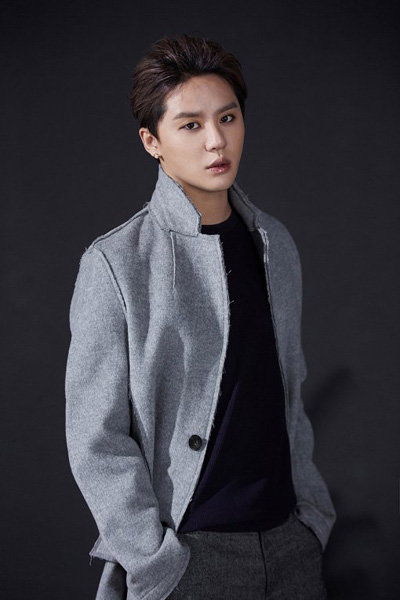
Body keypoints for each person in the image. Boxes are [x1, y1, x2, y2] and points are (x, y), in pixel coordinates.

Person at [65, 33, 336, 600]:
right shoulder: (116, 263)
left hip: (291, 546)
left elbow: (290, 391)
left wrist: (312, 518)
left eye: (228, 118)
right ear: (152, 142)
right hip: (189, 557)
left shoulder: (275, 244)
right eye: (190, 125)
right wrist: (154, 558)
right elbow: (95, 436)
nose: (217, 140)